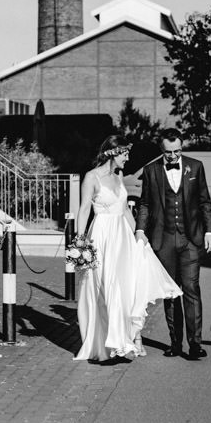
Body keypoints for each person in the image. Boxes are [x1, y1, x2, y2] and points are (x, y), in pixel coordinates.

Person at [74, 135, 182, 362]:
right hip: (102, 236)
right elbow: (84, 210)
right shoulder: (91, 177)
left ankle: (124, 338)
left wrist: (139, 239)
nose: (128, 158)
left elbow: (123, 210)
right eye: (125, 154)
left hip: (122, 236)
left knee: (124, 286)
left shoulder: (119, 176)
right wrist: (80, 242)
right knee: (103, 287)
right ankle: (104, 343)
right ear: (114, 153)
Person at [135, 128, 211, 360]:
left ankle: (195, 344)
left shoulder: (196, 167)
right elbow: (145, 204)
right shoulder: (151, 171)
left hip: (190, 239)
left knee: (191, 289)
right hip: (164, 239)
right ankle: (175, 343)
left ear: (182, 147)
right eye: (168, 152)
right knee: (170, 293)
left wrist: (209, 231)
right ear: (162, 150)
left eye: (177, 151)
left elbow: (205, 202)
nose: (173, 156)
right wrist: (140, 230)